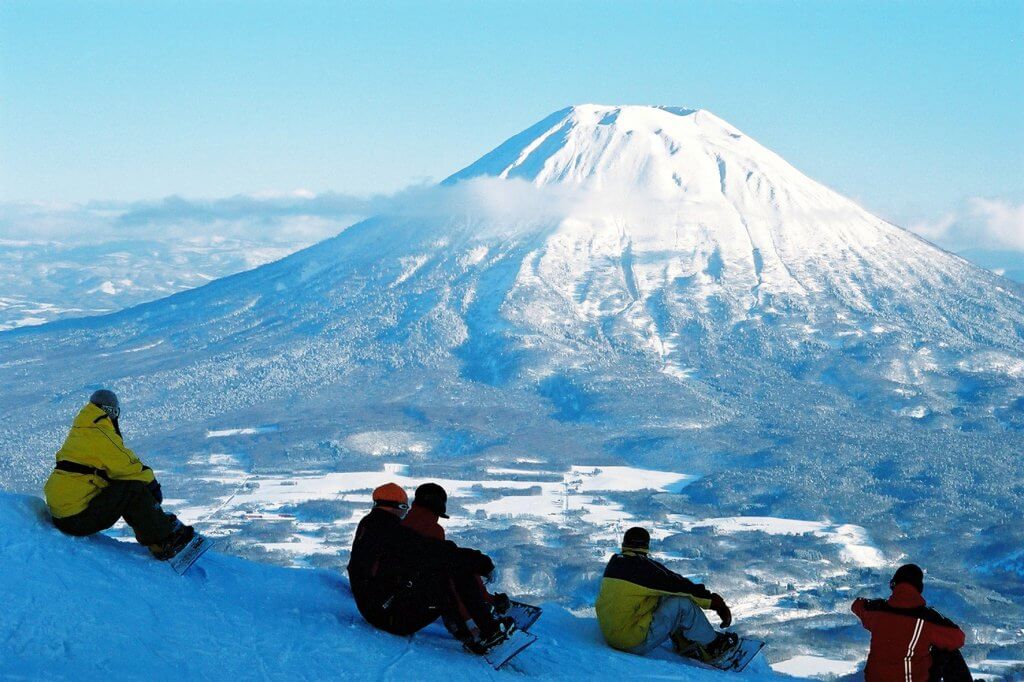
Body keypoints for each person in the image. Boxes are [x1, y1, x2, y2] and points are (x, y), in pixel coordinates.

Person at [347, 482, 515, 653]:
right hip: (389, 616)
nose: (406, 512)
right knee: (450, 573)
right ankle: (486, 631)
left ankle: (474, 630)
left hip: (377, 608)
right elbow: (433, 550)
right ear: (395, 506)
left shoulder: (371, 525)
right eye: (404, 507)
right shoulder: (390, 531)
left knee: (441, 571)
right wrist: (481, 563)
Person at [43, 390, 195, 560]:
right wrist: (152, 485)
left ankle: (158, 525)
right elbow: (127, 466)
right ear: (111, 411)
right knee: (132, 489)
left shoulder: (82, 429)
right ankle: (163, 542)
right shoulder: (99, 433)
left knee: (121, 487)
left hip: (62, 513)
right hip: (76, 519)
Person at [596, 527, 738, 662]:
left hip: (611, 635)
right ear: (646, 546)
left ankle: (683, 641)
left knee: (661, 596)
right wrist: (717, 604)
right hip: (630, 641)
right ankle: (714, 647)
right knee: (682, 602)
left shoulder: (614, 563)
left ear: (624, 544)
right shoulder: (642, 568)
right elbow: (681, 585)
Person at [401, 483, 512, 640]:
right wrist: (473, 613)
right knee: (461, 568)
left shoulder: (401, 523)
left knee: (457, 563)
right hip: (420, 600)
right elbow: (448, 573)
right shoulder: (432, 530)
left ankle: (478, 609)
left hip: (403, 595)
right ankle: (481, 620)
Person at [852, 564, 971, 681]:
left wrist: (873, 603)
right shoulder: (928, 619)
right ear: (919, 588)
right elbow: (958, 638)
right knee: (948, 651)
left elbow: (857, 605)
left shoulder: (877, 611)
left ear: (894, 584)